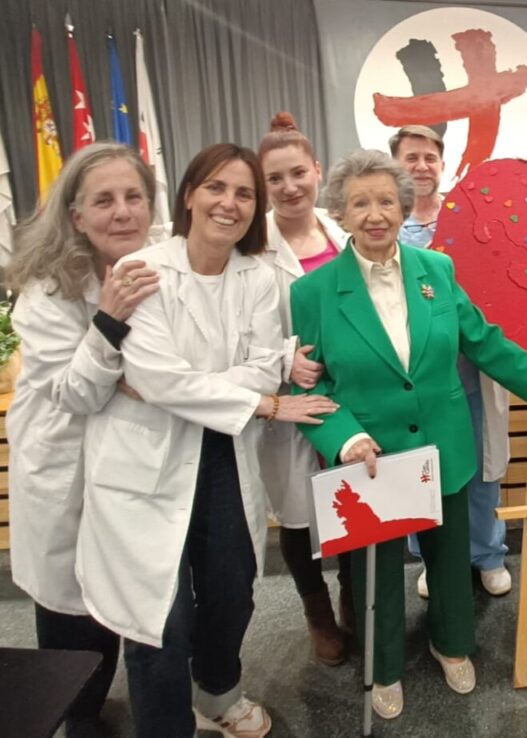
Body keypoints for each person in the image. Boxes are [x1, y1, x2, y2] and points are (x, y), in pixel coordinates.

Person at [290, 149, 527, 720]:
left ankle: (451, 644)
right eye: (359, 203)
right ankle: (383, 666)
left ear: (403, 208)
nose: (375, 214)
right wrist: (345, 438)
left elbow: (482, 339)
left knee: (449, 561)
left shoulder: (438, 270)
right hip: (368, 457)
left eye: (386, 201)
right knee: (375, 571)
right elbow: (308, 382)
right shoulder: (312, 292)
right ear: (341, 214)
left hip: (442, 445)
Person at [75, 143, 338, 737]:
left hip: (222, 451)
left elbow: (261, 364)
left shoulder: (258, 276)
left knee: (231, 590)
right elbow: (159, 378)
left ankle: (219, 694)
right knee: (159, 617)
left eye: (244, 193)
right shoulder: (141, 269)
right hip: (147, 459)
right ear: (189, 195)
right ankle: (166, 726)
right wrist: (257, 400)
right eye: (216, 187)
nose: (229, 203)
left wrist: (196, 386)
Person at [5, 142, 160, 736]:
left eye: (133, 197)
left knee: (126, 588)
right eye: (104, 200)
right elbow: (76, 392)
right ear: (75, 215)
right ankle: (80, 712)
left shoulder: (159, 265)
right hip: (64, 467)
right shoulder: (47, 292)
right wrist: (110, 321)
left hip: (132, 460)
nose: (122, 212)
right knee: (71, 606)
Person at [389, 124, 516, 598]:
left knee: (480, 471)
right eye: (411, 157)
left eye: (430, 158)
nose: (421, 166)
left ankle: (488, 554)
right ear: (394, 164)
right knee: (420, 470)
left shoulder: (471, 218)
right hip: (413, 380)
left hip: (471, 374)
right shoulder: (386, 227)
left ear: (443, 165)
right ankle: (431, 558)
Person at [258, 112, 355, 667]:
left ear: (317, 170)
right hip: (289, 400)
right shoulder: (252, 246)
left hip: (351, 395)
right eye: (275, 178)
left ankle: (352, 596)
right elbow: (238, 325)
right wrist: (283, 357)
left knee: (353, 503)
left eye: (298, 173)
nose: (290, 187)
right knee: (298, 517)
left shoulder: (343, 233)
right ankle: (316, 611)